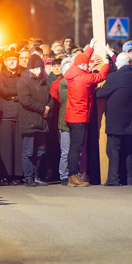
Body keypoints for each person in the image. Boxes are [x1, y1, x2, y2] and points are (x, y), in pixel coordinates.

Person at [63, 38, 112, 186]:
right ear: (81, 66)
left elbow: (82, 60)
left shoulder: (73, 71)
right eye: (87, 64)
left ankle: (72, 175)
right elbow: (100, 77)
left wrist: (90, 47)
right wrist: (107, 64)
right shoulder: (82, 77)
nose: (88, 64)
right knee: (76, 148)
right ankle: (73, 176)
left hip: (72, 116)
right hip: (79, 118)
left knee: (73, 147)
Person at [96, 53, 132, 186]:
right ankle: (128, 179)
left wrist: (95, 89)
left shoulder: (114, 76)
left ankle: (113, 179)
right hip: (130, 119)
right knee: (128, 151)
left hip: (116, 120)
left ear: (117, 64)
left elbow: (101, 94)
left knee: (113, 150)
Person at [17, 55, 53, 186]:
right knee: (28, 151)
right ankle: (28, 176)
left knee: (39, 151)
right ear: (31, 68)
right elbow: (25, 100)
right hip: (29, 121)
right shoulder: (23, 81)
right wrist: (42, 108)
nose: (39, 71)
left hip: (41, 121)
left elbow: (50, 97)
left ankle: (36, 174)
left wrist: (48, 107)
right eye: (36, 68)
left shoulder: (43, 81)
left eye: (40, 68)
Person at [0, 50, 24, 185]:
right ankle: (8, 174)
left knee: (19, 146)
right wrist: (18, 93)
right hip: (6, 115)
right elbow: (3, 91)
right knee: (6, 147)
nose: (12, 61)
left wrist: (15, 96)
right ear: (5, 62)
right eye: (9, 59)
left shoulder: (22, 74)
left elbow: (24, 91)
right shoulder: (0, 76)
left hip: (19, 114)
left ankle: (18, 174)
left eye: (14, 59)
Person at [49, 57, 74, 186]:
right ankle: (64, 174)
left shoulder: (76, 82)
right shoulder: (56, 84)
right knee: (65, 150)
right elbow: (55, 105)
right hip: (62, 120)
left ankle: (73, 173)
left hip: (75, 119)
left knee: (75, 150)